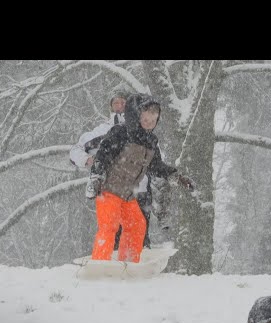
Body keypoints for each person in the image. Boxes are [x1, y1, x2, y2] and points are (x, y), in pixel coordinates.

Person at [88, 93, 194, 263]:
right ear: (134, 116)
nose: (149, 125)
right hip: (108, 191)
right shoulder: (120, 133)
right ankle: (100, 262)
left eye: (153, 121)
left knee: (137, 225)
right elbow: (103, 155)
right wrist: (97, 176)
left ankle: (128, 261)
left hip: (128, 195)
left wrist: (176, 176)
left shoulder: (151, 141)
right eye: (146, 121)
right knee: (109, 226)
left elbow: (156, 165)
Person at [70, 92, 155, 249]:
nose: (120, 106)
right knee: (112, 230)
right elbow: (75, 151)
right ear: (110, 106)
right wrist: (89, 160)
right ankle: (110, 266)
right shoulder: (101, 130)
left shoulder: (144, 128)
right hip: (112, 187)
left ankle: (137, 265)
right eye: (116, 102)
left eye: (123, 102)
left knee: (139, 231)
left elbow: (155, 157)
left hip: (139, 190)